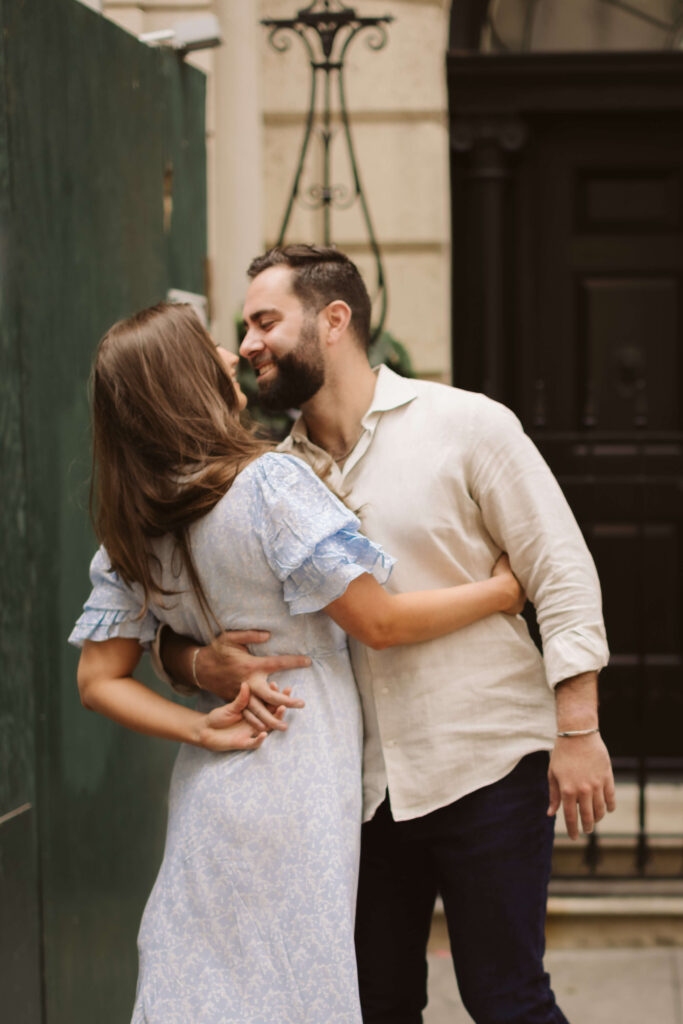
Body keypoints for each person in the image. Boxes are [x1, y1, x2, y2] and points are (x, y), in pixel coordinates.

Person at [151, 245, 616, 1024]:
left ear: (334, 321)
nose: (250, 344)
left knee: (507, 1001)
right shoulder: (270, 477)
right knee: (375, 1005)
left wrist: (578, 725)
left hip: (486, 764)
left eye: (265, 320)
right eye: (243, 327)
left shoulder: (465, 424)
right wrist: (199, 662)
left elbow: (559, 570)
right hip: (355, 792)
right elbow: (171, 613)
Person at [69, 301, 526, 1024]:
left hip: (210, 794)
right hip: (298, 779)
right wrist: (501, 590)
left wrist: (200, 730)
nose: (231, 357)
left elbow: (97, 681)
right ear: (185, 381)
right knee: (294, 992)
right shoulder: (269, 487)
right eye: (212, 349)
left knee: (202, 988)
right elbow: (378, 622)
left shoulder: (132, 522)